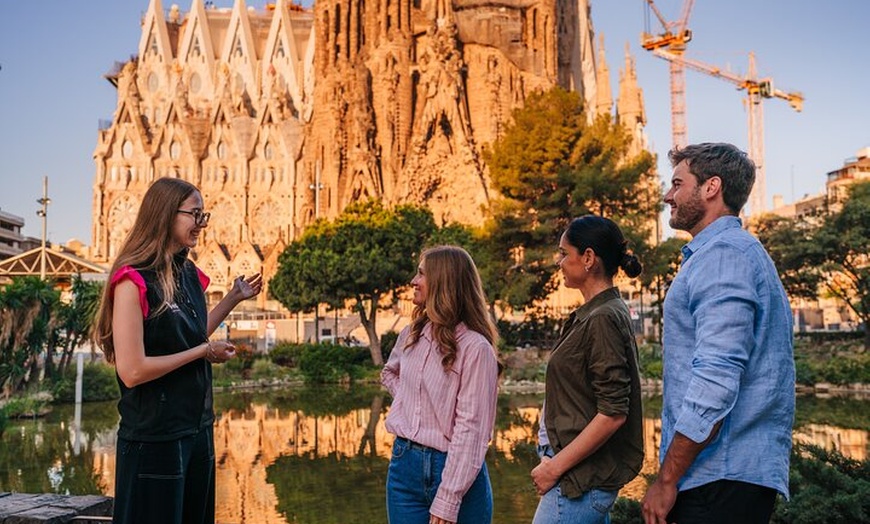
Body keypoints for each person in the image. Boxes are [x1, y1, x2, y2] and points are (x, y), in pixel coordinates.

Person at [93, 177, 262, 524]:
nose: (202, 224)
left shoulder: (187, 274)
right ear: (166, 214)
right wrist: (203, 352)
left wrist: (233, 298)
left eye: (203, 215)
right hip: (155, 437)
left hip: (196, 430)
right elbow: (132, 371)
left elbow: (191, 336)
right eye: (195, 215)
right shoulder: (133, 280)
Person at [641, 143, 795, 524]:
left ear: (712, 187)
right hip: (723, 477)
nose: (667, 196)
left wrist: (667, 479)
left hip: (718, 479)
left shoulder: (724, 256)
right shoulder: (728, 253)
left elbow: (715, 382)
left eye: (678, 184)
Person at [531, 215, 645, 524]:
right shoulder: (595, 313)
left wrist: (554, 468)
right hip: (576, 474)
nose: (559, 262)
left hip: (577, 481)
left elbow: (613, 413)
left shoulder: (603, 317)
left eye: (564, 253)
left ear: (589, 258)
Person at [381, 245, 500, 524]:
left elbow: (472, 430)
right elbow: (389, 373)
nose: (413, 281)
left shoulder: (476, 348)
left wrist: (448, 499)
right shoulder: (411, 334)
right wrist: (412, 403)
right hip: (404, 467)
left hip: (455, 471)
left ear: (443, 282)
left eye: (422, 274)